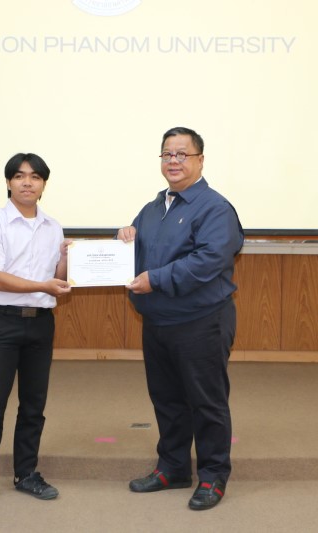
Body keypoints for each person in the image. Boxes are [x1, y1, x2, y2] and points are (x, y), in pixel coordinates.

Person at [117, 127, 244, 511]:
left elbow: (208, 261)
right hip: (158, 323)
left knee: (206, 402)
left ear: (200, 160)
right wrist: (122, 239)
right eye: (167, 154)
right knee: (167, 400)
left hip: (201, 322)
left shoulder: (215, 208)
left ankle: (213, 475)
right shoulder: (153, 208)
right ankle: (173, 467)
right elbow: (136, 255)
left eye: (182, 154)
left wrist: (155, 280)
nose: (173, 161)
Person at [0, 152, 71, 510]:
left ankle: (26, 474)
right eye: (20, 176)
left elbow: (58, 278)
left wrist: (66, 259)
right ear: (9, 182)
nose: (28, 182)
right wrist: (43, 285)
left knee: (33, 405)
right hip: (3, 323)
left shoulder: (53, 227)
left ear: (43, 184)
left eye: (35, 176)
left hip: (41, 324)